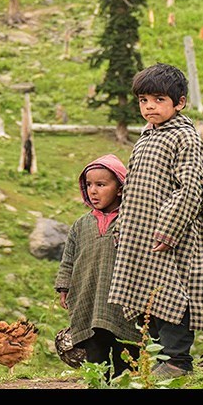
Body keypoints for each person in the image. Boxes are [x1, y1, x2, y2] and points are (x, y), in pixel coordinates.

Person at [108, 63, 203, 379]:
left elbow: (191, 188)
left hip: (174, 236)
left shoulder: (184, 138)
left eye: (159, 99)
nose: (149, 107)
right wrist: (125, 228)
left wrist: (170, 230)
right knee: (148, 295)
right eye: (144, 100)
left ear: (179, 102)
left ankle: (177, 361)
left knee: (174, 293)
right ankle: (158, 358)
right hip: (142, 234)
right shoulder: (147, 137)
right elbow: (134, 188)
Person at [54, 153, 140, 380]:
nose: (93, 190)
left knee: (126, 354)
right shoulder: (81, 224)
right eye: (89, 185)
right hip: (87, 296)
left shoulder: (131, 220)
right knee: (94, 354)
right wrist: (64, 287)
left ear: (120, 188)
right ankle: (98, 383)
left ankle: (125, 381)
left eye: (101, 185)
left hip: (121, 300)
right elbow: (68, 259)